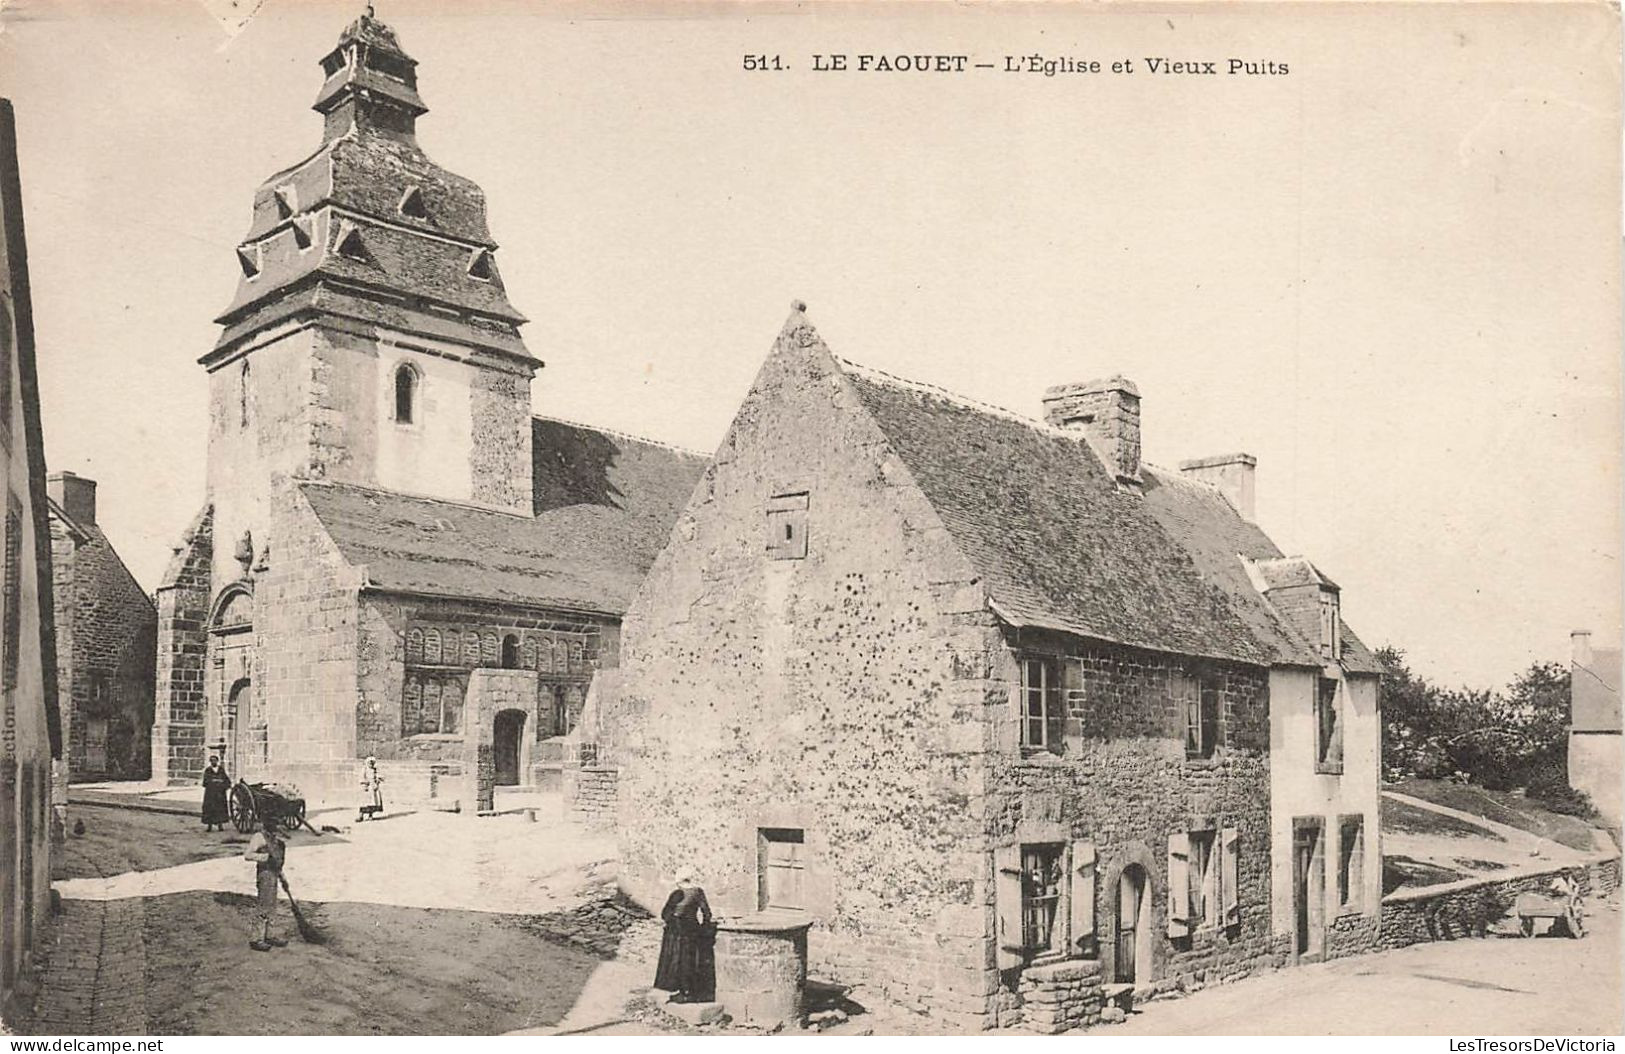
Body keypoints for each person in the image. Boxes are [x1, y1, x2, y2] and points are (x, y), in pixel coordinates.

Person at [653, 868, 714, 1003]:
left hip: (677, 931)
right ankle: (691, 992)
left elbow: (665, 914)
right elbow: (707, 913)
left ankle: (683, 992)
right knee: (692, 961)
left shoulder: (677, 893)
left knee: (678, 961)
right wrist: (704, 929)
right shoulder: (698, 892)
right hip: (693, 929)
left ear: (679, 881)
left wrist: (672, 920)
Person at [243, 811, 288, 951]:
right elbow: (248, 855)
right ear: (267, 824)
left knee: (272, 906)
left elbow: (277, 862)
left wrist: (283, 878)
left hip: (274, 874)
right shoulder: (259, 837)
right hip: (264, 874)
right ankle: (256, 939)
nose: (276, 827)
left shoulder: (275, 840)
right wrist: (264, 857)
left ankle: (269, 935)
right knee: (263, 906)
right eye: (274, 823)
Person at [200, 755, 231, 832]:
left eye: (215, 760)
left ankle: (220, 825)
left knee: (220, 809)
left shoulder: (221, 769)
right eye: (212, 761)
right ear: (210, 762)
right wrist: (213, 781)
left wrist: (224, 784)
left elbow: (226, 779)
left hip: (220, 793)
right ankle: (209, 826)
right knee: (210, 809)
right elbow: (205, 782)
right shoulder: (208, 770)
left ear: (217, 761)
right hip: (211, 794)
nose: (213, 762)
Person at [358, 756, 384, 822]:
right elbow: (361, 777)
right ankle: (361, 816)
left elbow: (378, 776)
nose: (371, 764)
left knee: (372, 802)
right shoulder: (365, 769)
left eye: (372, 763)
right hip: (366, 787)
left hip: (373, 787)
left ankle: (370, 815)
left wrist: (377, 780)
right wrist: (365, 782)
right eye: (369, 763)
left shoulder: (374, 770)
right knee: (363, 802)